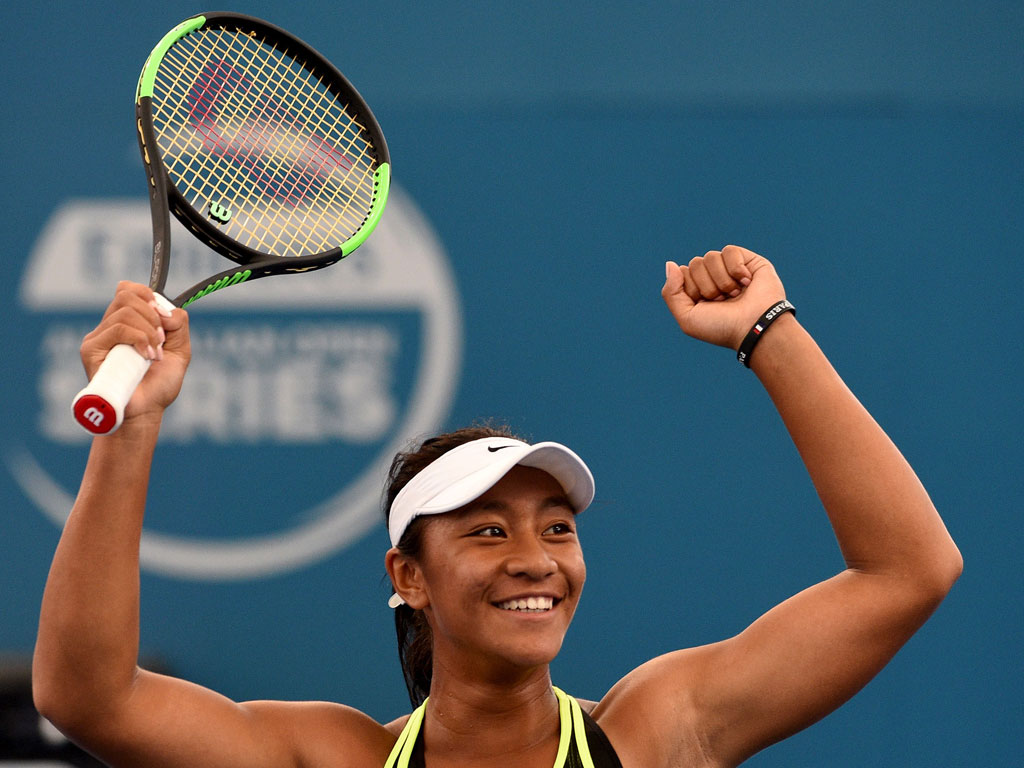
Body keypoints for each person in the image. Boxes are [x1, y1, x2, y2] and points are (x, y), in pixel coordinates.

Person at [33, 245, 962, 767]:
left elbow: (910, 572)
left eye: (557, 527)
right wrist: (132, 428)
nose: (536, 558)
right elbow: (87, 698)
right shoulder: (333, 760)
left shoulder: (657, 733)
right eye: (487, 530)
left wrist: (768, 331)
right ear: (410, 578)